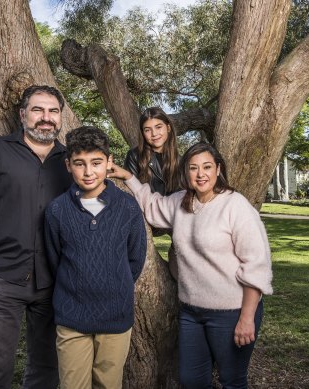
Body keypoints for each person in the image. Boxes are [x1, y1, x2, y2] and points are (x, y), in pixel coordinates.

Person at [108, 142, 273, 389]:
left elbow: (256, 265)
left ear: (218, 169)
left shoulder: (235, 205)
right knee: (191, 380)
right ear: (186, 172)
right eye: (193, 168)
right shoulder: (180, 202)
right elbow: (152, 206)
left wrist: (247, 317)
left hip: (232, 312)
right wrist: (128, 177)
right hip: (191, 313)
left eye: (207, 167)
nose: (201, 174)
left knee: (231, 380)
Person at [0, 85, 73, 389]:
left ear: (61, 117)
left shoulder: (71, 161)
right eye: (38, 110)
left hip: (54, 280)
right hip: (2, 278)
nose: (45, 118)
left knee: (47, 369)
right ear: (23, 115)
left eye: (53, 111)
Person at [44, 126, 147, 389]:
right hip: (72, 317)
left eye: (96, 163)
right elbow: (55, 260)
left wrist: (113, 283)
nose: (88, 172)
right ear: (68, 165)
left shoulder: (127, 207)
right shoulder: (57, 210)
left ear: (110, 163)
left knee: (108, 384)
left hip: (115, 316)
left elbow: (135, 260)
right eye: (80, 164)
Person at [124, 107, 180, 195]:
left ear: (168, 128)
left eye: (158, 127)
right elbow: (131, 194)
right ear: (143, 133)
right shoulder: (134, 156)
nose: (154, 134)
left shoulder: (180, 161)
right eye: (147, 130)